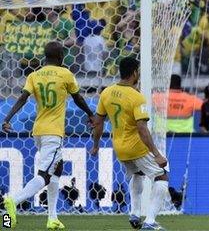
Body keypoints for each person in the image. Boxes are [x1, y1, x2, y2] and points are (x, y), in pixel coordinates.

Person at [2, 41, 94, 230]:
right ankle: (13, 200)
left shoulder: (34, 75)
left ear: (45, 57)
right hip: (54, 132)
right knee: (44, 175)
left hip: (38, 131)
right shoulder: (66, 74)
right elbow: (78, 98)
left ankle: (52, 218)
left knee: (56, 169)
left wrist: (8, 118)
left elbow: (22, 98)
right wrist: (91, 114)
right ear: (61, 58)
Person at [91, 57, 169, 230]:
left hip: (119, 147)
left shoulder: (106, 92)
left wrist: (95, 145)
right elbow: (142, 128)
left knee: (138, 174)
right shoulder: (137, 97)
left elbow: (98, 123)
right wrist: (156, 153)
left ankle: (134, 213)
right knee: (162, 176)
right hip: (136, 146)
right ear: (135, 72)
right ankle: (149, 222)